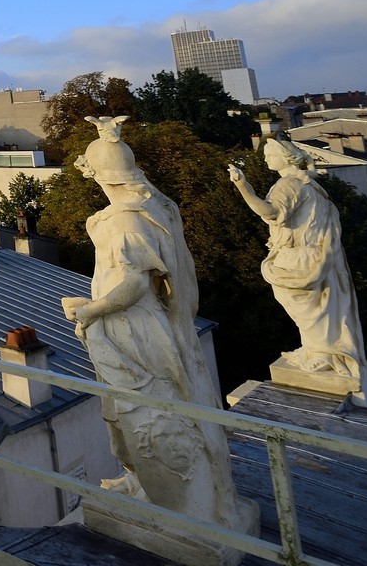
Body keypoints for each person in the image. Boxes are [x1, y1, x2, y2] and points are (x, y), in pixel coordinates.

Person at [61, 119, 249, 532]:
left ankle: (181, 507)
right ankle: (142, 483)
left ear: (99, 174)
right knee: (127, 415)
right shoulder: (150, 207)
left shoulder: (126, 222)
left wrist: (92, 310)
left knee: (147, 415)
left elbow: (133, 283)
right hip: (131, 328)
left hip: (133, 332)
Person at [229, 139, 367, 396]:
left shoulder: (289, 184)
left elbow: (270, 212)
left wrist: (242, 186)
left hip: (303, 258)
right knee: (322, 308)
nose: (266, 158)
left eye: (270, 154)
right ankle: (319, 349)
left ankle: (323, 353)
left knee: (310, 309)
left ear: (286, 158)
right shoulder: (307, 181)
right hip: (321, 255)